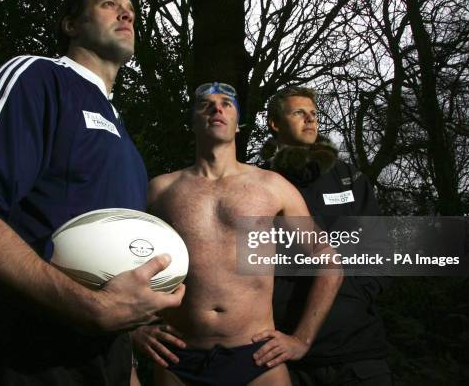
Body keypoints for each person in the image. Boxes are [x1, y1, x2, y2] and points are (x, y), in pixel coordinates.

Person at [0, 0, 184, 386]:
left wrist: (124, 353)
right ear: (70, 25)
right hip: (23, 358)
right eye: (107, 3)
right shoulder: (38, 77)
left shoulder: (124, 140)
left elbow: (106, 272)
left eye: (129, 7)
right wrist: (89, 309)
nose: (126, 11)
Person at [132, 82, 342, 385]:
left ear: (238, 125)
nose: (217, 108)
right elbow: (121, 261)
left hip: (257, 358)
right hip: (178, 356)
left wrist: (302, 339)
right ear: (192, 121)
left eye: (226, 104)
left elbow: (328, 259)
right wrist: (135, 328)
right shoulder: (160, 190)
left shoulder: (272, 186)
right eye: (206, 104)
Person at [262, 86, 392, 385]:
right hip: (283, 351)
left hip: (357, 350)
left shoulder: (349, 178)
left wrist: (352, 297)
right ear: (275, 123)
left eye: (314, 114)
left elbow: (379, 252)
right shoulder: (257, 184)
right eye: (299, 113)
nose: (310, 120)